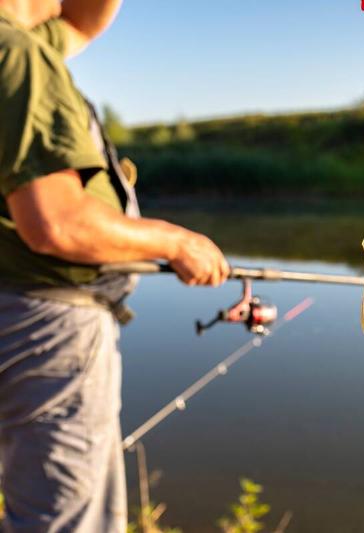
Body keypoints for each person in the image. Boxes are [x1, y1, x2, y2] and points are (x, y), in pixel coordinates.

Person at [0, 1, 230, 530]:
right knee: (65, 520)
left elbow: (81, 23)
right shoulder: (17, 54)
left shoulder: (22, 44)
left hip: (19, 314)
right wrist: (175, 242)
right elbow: (57, 223)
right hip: (46, 329)